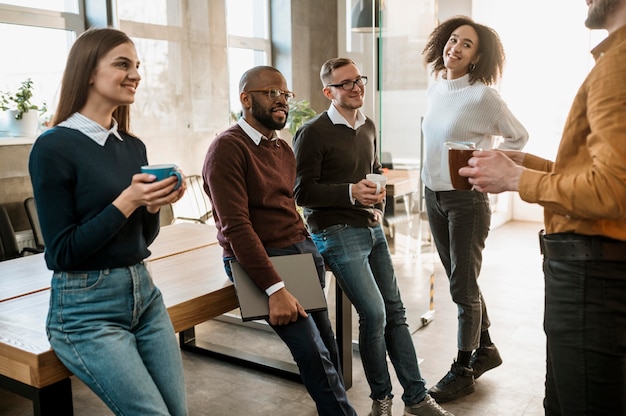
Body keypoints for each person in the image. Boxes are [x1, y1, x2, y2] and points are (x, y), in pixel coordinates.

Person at [458, 1, 626, 415]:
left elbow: (613, 191)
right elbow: (599, 171)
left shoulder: (617, 65)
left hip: (593, 277)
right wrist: (531, 164)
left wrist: (517, 180)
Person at [28, 28, 189, 415]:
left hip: (144, 294)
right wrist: (128, 200)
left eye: (137, 66)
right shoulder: (53, 147)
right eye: (122, 64)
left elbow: (140, 239)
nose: (135, 74)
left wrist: (151, 207)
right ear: (87, 72)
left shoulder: (132, 146)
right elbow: (63, 252)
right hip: (86, 310)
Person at [293, 57, 453, 416]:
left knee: (395, 312)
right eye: (345, 83)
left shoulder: (368, 126)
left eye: (358, 80)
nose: (356, 87)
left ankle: (416, 397)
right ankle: (381, 400)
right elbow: (301, 193)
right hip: (334, 232)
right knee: (376, 313)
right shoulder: (313, 132)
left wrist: (377, 198)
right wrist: (351, 193)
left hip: (371, 226)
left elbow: (374, 168)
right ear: (328, 92)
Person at [201, 65, 357, 416]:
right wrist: (274, 288)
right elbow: (236, 228)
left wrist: (311, 249)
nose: (282, 101)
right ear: (245, 99)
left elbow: (287, 208)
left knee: (328, 350)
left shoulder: (283, 149)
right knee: (314, 356)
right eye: (271, 93)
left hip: (299, 253)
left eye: (285, 94)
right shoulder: (226, 149)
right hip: (262, 260)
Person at [420, 16, 529, 402]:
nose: (456, 47)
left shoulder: (484, 96)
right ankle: (486, 349)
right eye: (453, 40)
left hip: (466, 200)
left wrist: (487, 159)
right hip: (433, 195)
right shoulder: (435, 90)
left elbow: (519, 135)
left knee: (462, 287)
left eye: (466, 44)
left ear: (477, 57)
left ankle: (463, 367)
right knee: (458, 280)